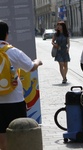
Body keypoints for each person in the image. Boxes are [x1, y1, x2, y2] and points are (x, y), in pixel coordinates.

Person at [0, 20, 43, 150]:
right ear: (7, 35)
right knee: (19, 132)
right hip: (15, 100)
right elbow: (30, 67)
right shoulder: (13, 52)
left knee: (2, 136)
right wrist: (38, 62)